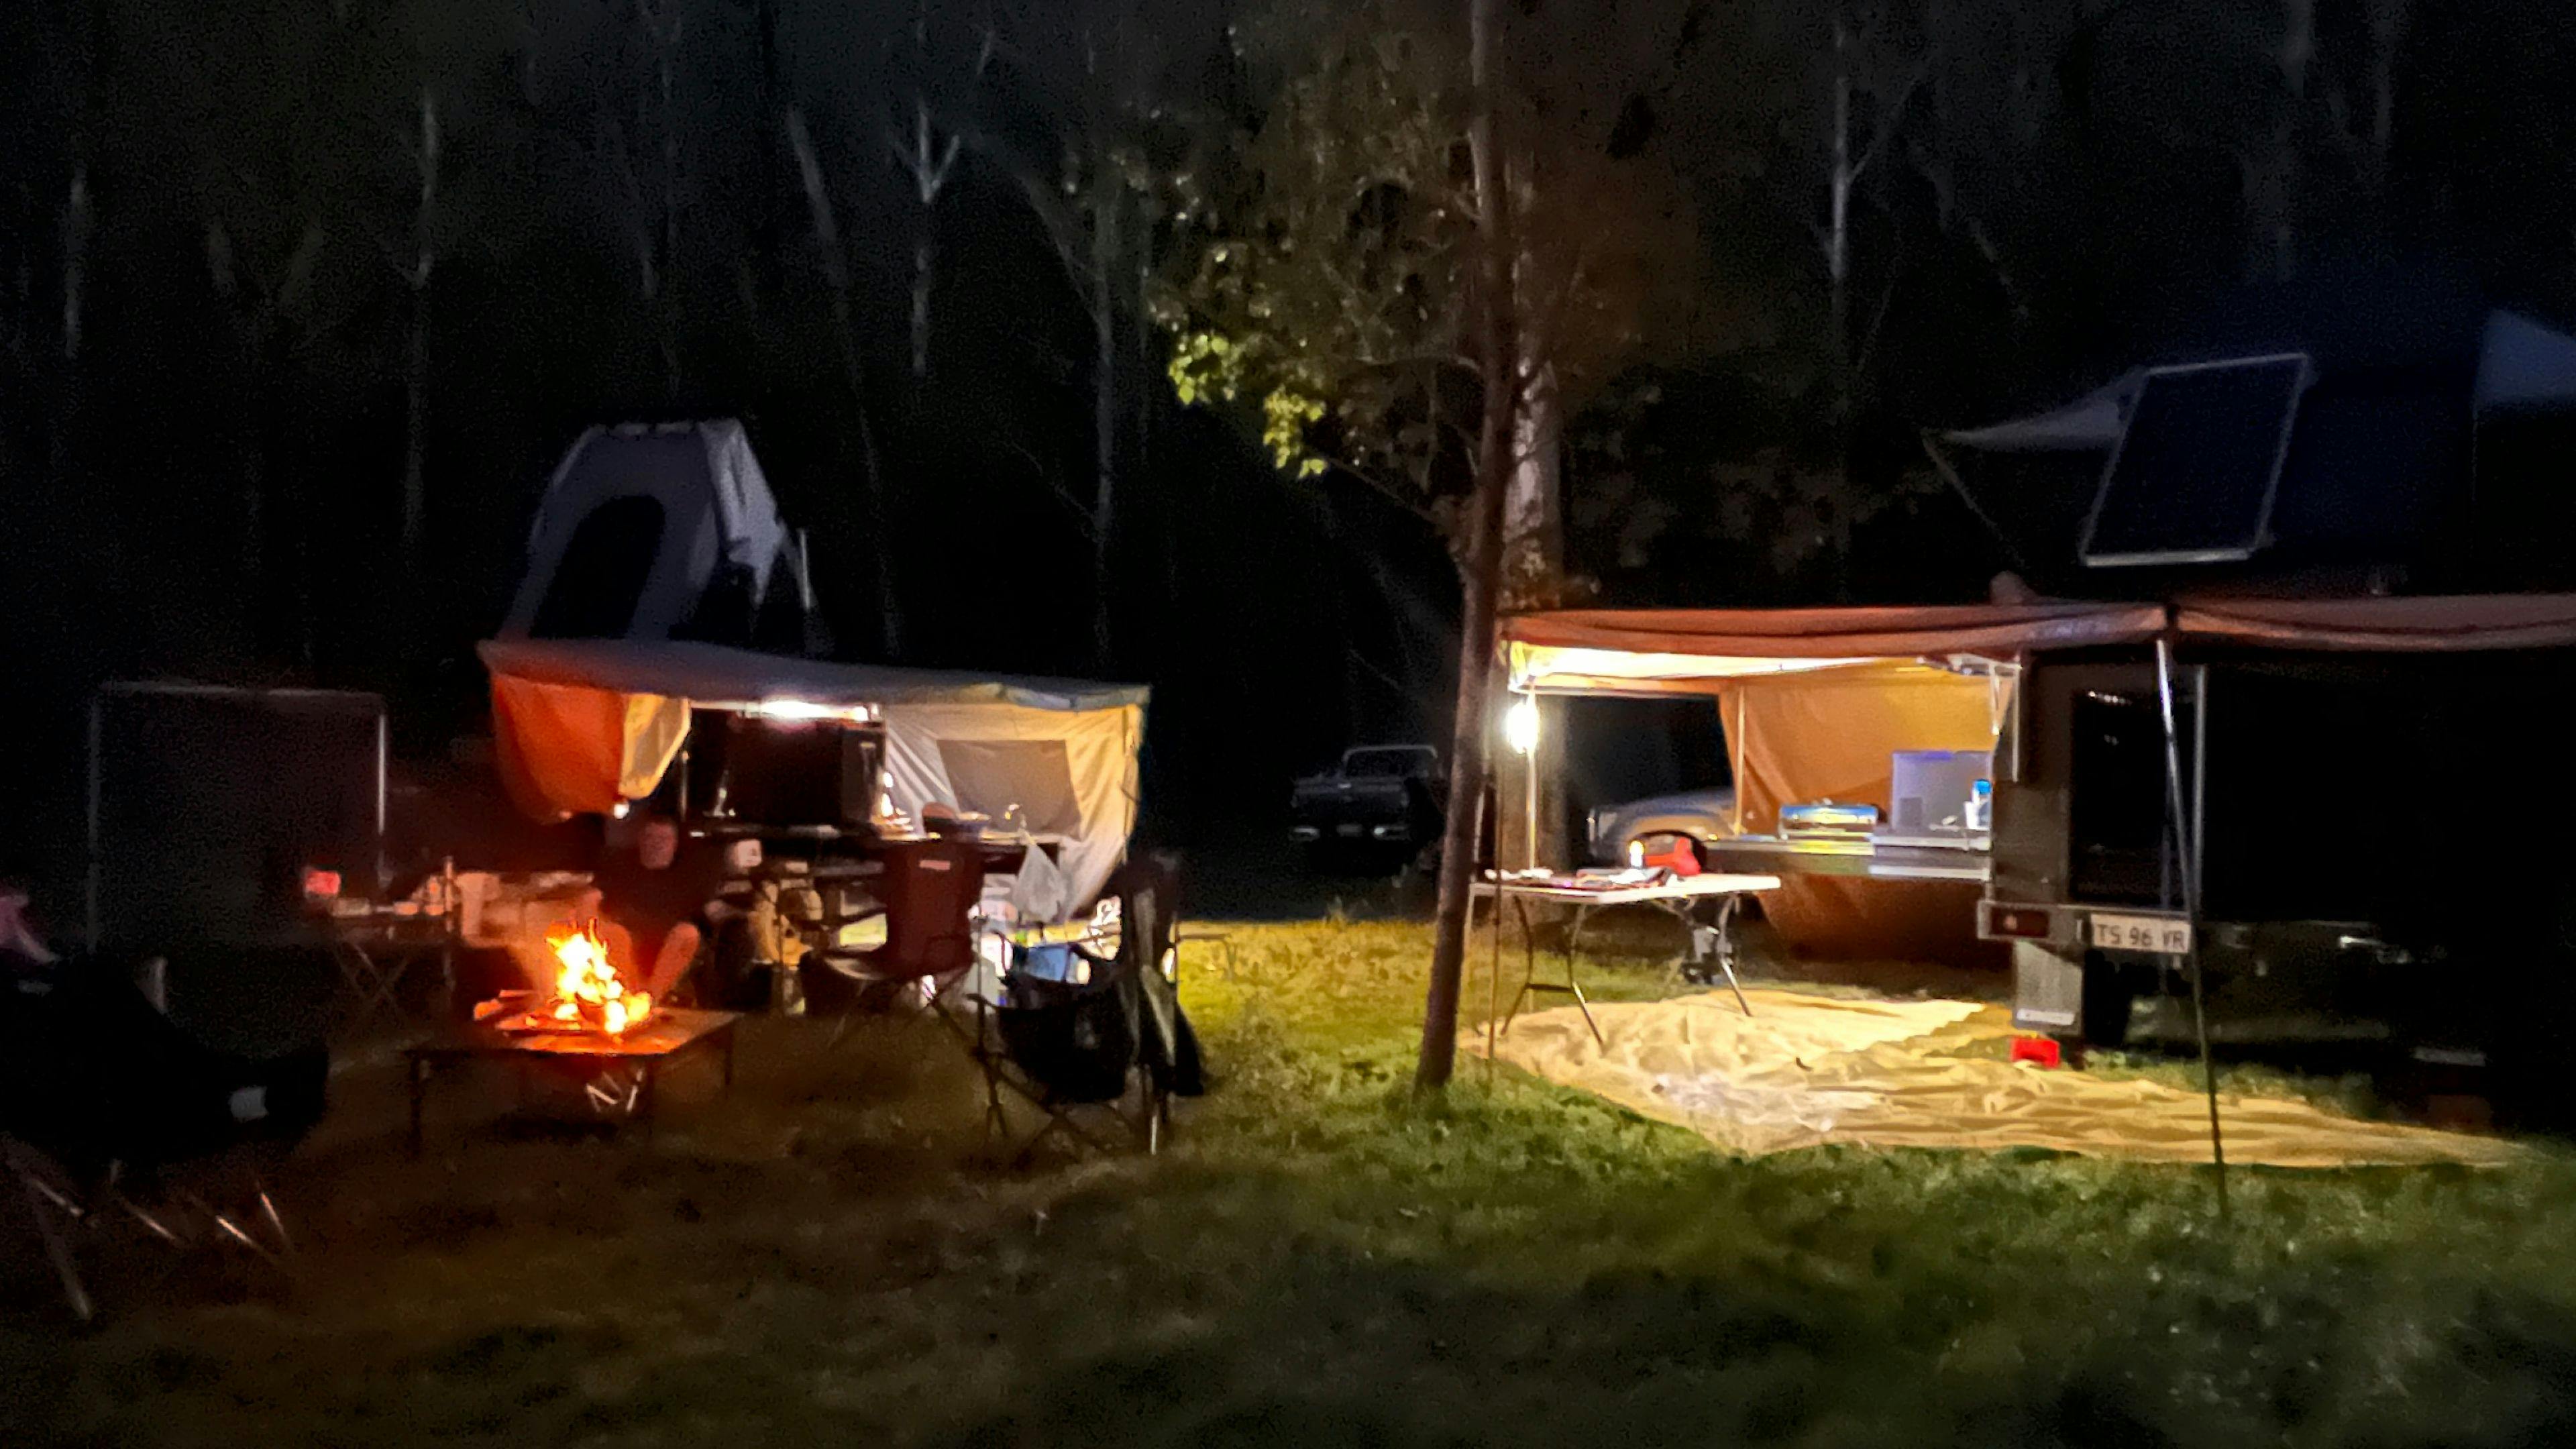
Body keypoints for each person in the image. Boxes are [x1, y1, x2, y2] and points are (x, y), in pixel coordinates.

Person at [590, 813, 729, 1002]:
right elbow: (595, 896)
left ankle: (650, 999)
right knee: (615, 933)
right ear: (640, 841)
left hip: (672, 940)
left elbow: (713, 910)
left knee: (687, 934)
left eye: (663, 839)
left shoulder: (690, 874)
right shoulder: (621, 868)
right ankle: (632, 996)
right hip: (630, 936)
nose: (656, 844)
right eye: (650, 837)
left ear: (675, 844)